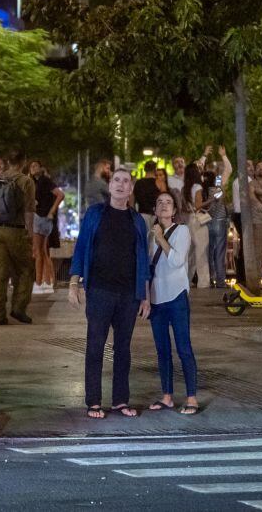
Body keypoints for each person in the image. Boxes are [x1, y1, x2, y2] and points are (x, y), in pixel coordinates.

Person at [69, 168, 150, 419]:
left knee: (123, 349)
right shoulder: (95, 214)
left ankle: (120, 400)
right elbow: (82, 247)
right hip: (100, 291)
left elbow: (142, 259)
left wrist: (145, 295)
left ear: (130, 189)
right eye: (116, 180)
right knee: (95, 346)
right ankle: (93, 401)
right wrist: (73, 283)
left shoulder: (137, 220)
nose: (120, 185)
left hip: (128, 295)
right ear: (110, 185)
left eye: (126, 182)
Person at [145, 192, 200, 415]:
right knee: (162, 350)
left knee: (184, 348)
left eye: (168, 203)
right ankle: (167, 396)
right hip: (157, 299)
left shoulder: (182, 231)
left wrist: (160, 238)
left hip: (176, 296)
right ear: (155, 211)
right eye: (160, 203)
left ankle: (191, 397)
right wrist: (146, 298)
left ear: (175, 210)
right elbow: (147, 269)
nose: (164, 206)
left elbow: (177, 261)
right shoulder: (150, 236)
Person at [0, 151, 36, 325]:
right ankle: (19, 308)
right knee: (26, 270)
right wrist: (30, 232)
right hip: (17, 231)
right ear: (24, 162)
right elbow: (29, 210)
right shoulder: (25, 181)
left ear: (8, 162)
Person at [29, 161, 64, 294]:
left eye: (35, 166)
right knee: (43, 252)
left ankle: (39, 283)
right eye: (31, 166)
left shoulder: (44, 181)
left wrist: (52, 211)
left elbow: (60, 195)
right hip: (43, 217)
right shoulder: (37, 182)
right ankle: (48, 282)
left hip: (41, 218)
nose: (32, 168)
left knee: (39, 252)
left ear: (41, 168)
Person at [203, 147, 232, 288]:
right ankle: (220, 281)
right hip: (220, 221)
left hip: (206, 221)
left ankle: (209, 279)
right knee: (220, 252)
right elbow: (228, 170)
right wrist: (224, 156)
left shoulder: (201, 186)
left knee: (209, 252)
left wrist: (204, 155)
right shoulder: (218, 184)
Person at [180, 163, 211, 289]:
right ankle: (203, 282)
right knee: (201, 252)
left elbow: (183, 208)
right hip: (198, 221)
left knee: (191, 253)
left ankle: (185, 280)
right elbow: (198, 206)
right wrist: (211, 200)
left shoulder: (184, 189)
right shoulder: (197, 186)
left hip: (188, 221)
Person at [133, 160, 160, 228]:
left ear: (145, 169)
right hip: (156, 215)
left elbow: (132, 200)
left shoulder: (138, 183)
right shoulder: (159, 183)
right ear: (155, 170)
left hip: (142, 214)